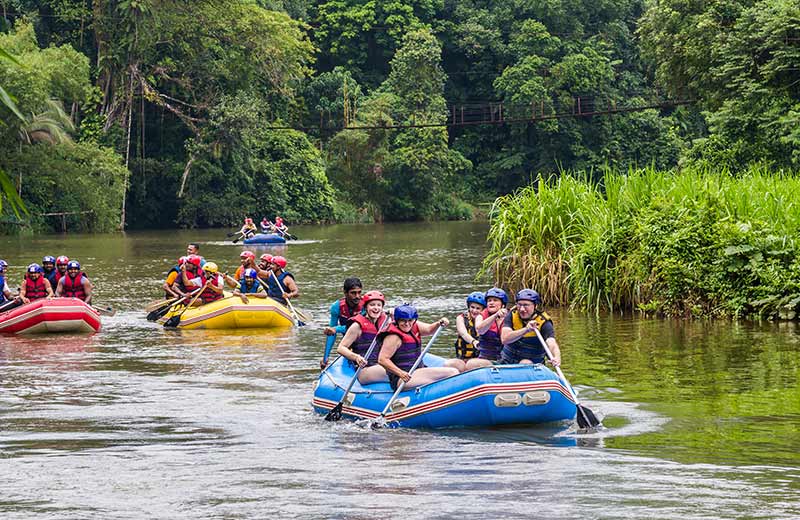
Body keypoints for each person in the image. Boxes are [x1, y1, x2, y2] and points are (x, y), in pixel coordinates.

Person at [377, 304, 460, 390]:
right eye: (403, 320)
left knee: (452, 372)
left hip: (417, 371)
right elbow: (382, 359)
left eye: (410, 320)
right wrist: (401, 373)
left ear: (414, 319)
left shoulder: (415, 326)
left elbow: (429, 329)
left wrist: (439, 323)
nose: (407, 323)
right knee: (452, 372)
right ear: (397, 320)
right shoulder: (393, 337)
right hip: (403, 378)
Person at [336, 290, 391, 383]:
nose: (376, 308)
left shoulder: (386, 322)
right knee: (395, 370)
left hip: (381, 363)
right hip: (365, 369)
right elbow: (341, 348)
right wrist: (356, 357)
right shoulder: (357, 326)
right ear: (365, 307)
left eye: (379, 305)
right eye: (372, 305)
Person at [500, 289, 561, 366]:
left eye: (526, 305)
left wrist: (556, 357)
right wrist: (526, 330)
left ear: (535, 306)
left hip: (533, 365)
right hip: (507, 362)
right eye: (519, 305)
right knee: (481, 363)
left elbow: (551, 343)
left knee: (525, 362)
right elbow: (505, 339)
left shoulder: (544, 322)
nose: (522, 309)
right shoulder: (511, 315)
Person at [321, 277, 364, 369]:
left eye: (359, 292)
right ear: (345, 293)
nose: (357, 296)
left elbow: (359, 327)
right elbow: (331, 333)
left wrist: (336, 329)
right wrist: (325, 357)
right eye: (353, 293)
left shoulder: (366, 305)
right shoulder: (336, 307)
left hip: (364, 340)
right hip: (349, 343)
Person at [465, 288, 509, 370]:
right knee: (470, 364)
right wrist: (495, 315)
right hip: (486, 359)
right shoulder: (481, 316)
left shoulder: (510, 317)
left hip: (505, 360)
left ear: (503, 305)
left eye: (495, 300)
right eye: (489, 301)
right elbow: (480, 330)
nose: (491, 303)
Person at [454, 291, 486, 361]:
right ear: (469, 306)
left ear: (483, 309)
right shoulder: (461, 318)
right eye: (472, 307)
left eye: (478, 308)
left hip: (480, 358)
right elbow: (463, 333)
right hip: (463, 358)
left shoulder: (486, 320)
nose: (474, 311)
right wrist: (473, 341)